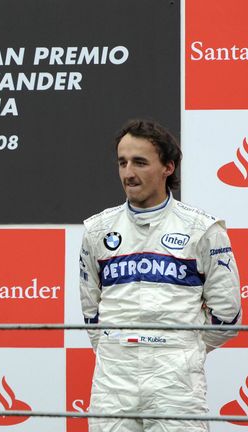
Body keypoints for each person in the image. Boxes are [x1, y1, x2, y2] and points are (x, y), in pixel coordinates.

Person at [79, 119, 242, 431]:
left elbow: (228, 316)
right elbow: (91, 312)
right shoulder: (97, 230)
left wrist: (180, 348)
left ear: (168, 167)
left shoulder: (203, 229)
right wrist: (121, 347)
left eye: (140, 162)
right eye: (122, 162)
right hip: (113, 379)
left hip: (176, 380)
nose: (128, 173)